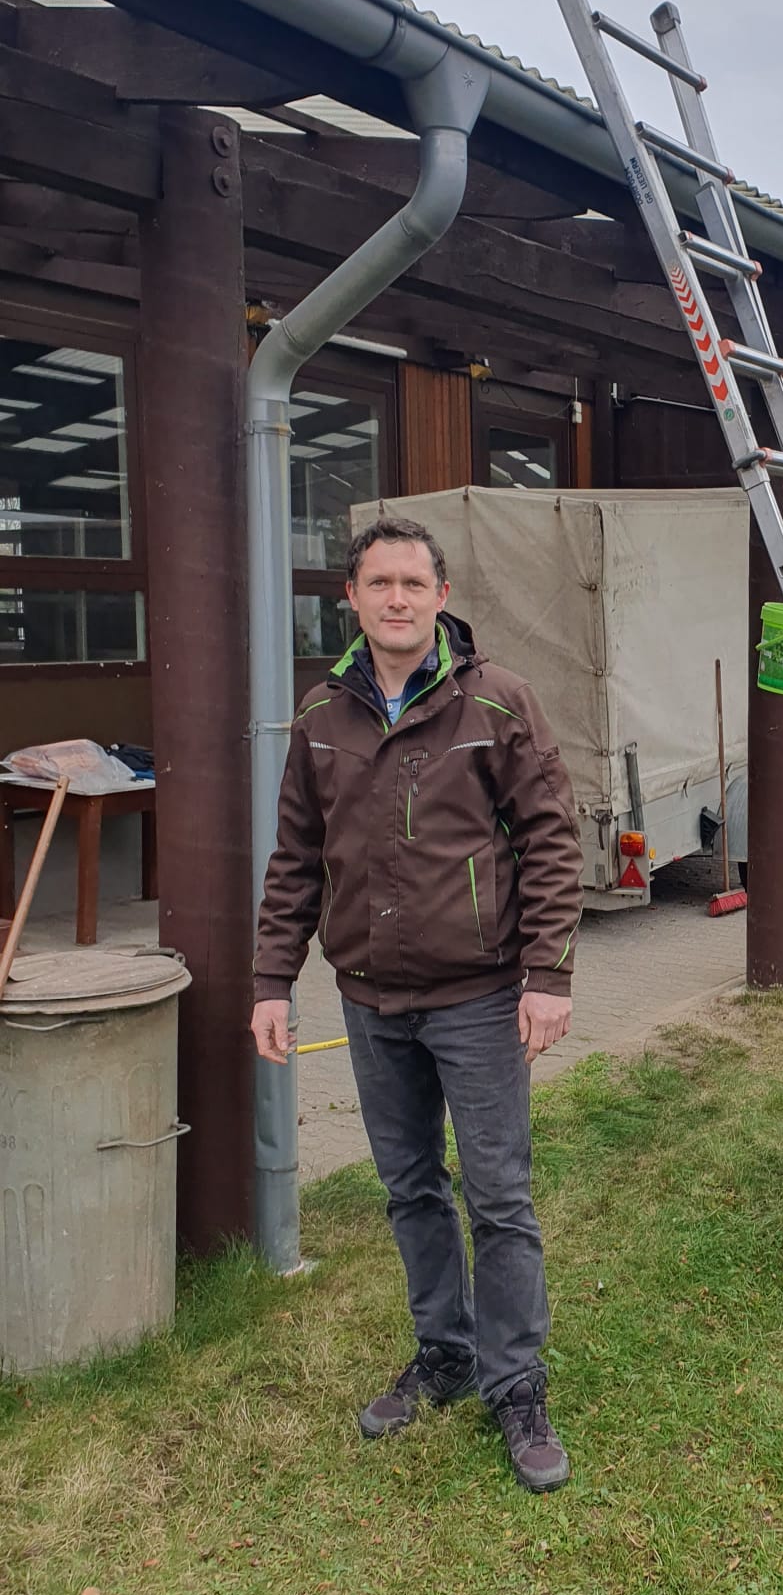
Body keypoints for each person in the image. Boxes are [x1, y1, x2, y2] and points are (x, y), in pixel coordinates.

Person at [250, 516, 582, 1491]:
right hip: (369, 999)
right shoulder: (322, 715)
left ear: (441, 597)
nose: (396, 598)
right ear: (350, 599)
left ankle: (515, 1381)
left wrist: (549, 975)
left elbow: (552, 840)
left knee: (499, 1196)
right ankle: (445, 1352)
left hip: (477, 997)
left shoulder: (498, 701)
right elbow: (296, 858)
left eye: (412, 583)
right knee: (410, 1189)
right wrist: (273, 981)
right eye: (378, 582)